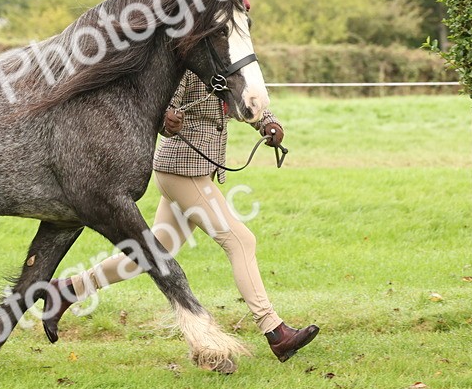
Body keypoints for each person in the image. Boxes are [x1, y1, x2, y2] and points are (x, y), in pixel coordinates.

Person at [40, 71, 320, 362]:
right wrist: (166, 120)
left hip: (189, 169)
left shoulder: (224, 59)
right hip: (184, 172)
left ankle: (69, 289)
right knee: (240, 241)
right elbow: (163, 106)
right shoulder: (190, 65)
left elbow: (243, 93)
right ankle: (275, 331)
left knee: (158, 249)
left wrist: (267, 121)